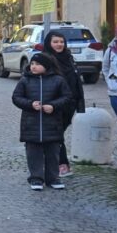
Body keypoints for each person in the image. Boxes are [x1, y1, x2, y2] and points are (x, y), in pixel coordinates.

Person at [12, 53, 72, 190]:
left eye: (37, 64)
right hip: (31, 123)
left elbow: (67, 97)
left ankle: (53, 178)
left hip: (52, 124)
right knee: (33, 152)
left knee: (53, 152)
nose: (34, 67)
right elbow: (16, 97)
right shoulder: (25, 80)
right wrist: (30, 104)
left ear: (46, 66)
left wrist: (53, 106)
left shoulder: (58, 80)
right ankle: (36, 178)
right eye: (32, 64)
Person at [43, 30, 85, 178]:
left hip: (69, 103)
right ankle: (61, 164)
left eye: (61, 41)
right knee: (57, 133)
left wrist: (79, 102)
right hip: (53, 103)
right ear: (49, 43)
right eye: (55, 42)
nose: (59, 44)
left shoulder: (68, 58)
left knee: (58, 132)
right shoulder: (45, 59)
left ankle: (57, 164)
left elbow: (76, 80)